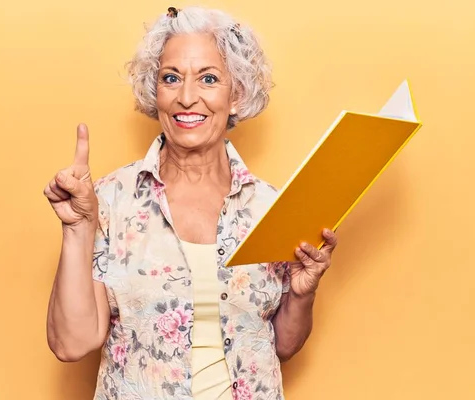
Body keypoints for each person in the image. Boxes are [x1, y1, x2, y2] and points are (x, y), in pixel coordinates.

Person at [43, 6, 338, 400]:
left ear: (237, 95)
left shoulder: (270, 206)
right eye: (171, 78)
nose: (186, 98)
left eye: (209, 79)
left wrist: (302, 294)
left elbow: (281, 344)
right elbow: (71, 344)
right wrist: (78, 228)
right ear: (156, 92)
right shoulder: (110, 199)